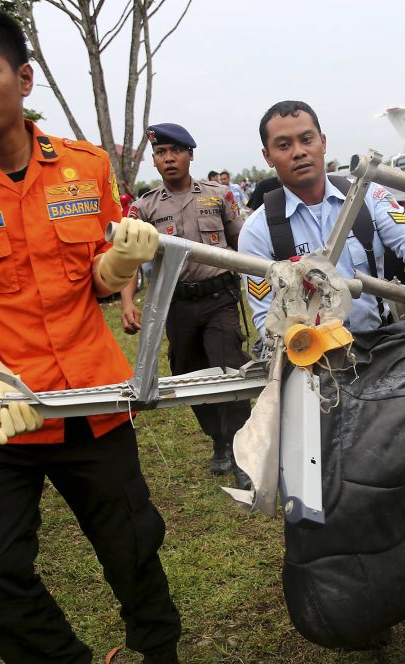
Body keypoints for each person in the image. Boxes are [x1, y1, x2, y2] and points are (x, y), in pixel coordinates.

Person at [0, 7, 181, 663]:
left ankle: (157, 653)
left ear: (22, 79)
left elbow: (98, 283)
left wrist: (123, 262)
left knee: (135, 549)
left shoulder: (86, 166)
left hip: (93, 402)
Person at [238, 100, 405, 335]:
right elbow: (265, 319)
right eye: (283, 145)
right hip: (308, 360)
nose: (299, 152)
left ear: (323, 142)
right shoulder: (258, 231)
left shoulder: (369, 197)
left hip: (377, 346)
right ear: (267, 156)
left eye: (306, 139)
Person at [122, 124, 251, 488]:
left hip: (219, 297)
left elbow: (243, 243)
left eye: (175, 151)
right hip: (175, 303)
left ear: (190, 155)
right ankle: (220, 442)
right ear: (154, 159)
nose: (168, 159)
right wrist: (128, 301)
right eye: (161, 153)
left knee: (228, 368)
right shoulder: (144, 207)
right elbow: (129, 258)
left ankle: (243, 449)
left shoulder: (220, 195)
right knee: (189, 372)